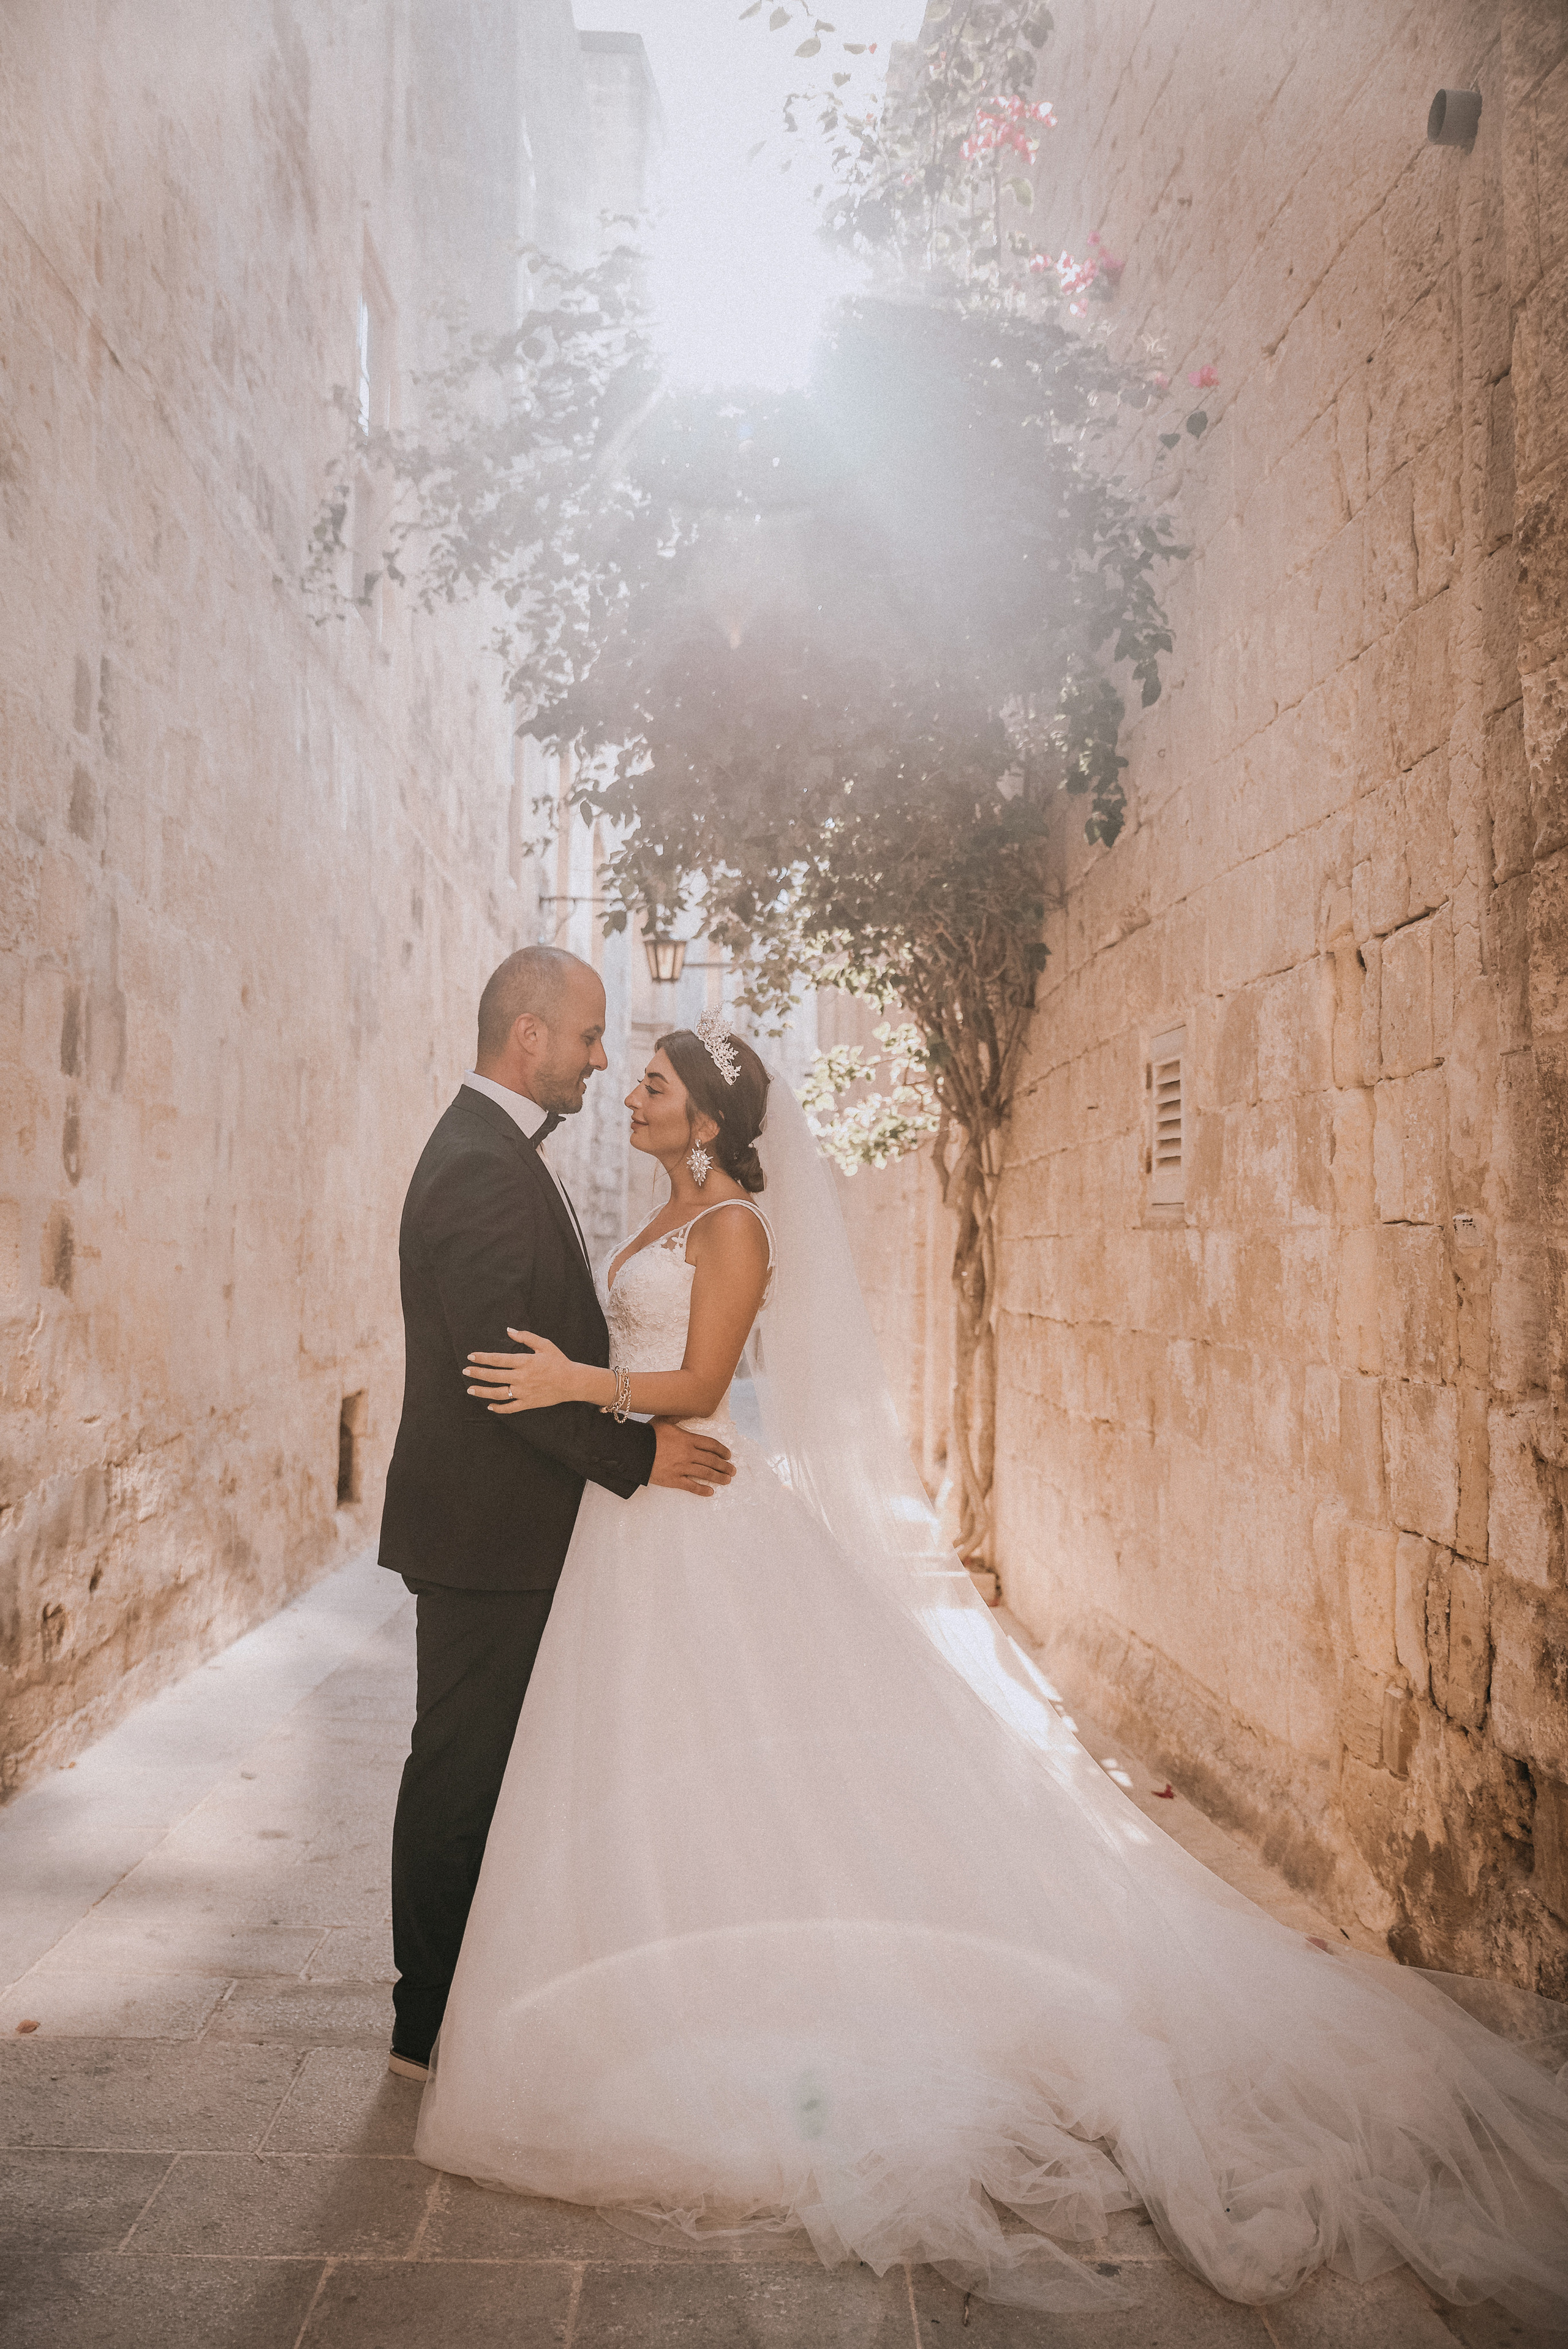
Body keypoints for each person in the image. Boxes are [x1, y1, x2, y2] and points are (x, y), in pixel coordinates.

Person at [413, 1016, 1568, 2323]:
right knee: (641, 1763)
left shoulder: (732, 1228)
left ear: (714, 1123)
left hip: (698, 1513)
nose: (633, 1091)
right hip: (636, 1527)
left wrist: (577, 1379)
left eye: (657, 1083)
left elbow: (704, 1378)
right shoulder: (664, 1212)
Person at [378, 949, 735, 2079]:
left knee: (498, 1767)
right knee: (461, 1768)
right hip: (490, 1532)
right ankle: (426, 2025)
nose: (599, 1057)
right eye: (586, 1037)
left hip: (518, 1525)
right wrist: (635, 1455)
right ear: (527, 1036)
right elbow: (502, 1373)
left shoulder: (493, 1149)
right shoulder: (480, 1163)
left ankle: (481, 1990)